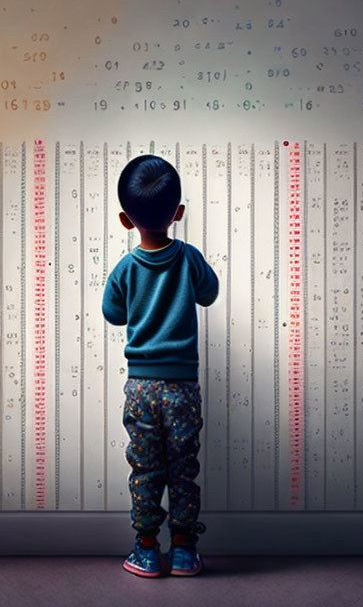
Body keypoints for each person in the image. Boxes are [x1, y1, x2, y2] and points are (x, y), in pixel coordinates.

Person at [102, 154, 219, 578]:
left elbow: (113, 314)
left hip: (142, 388)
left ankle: (147, 548)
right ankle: (185, 549)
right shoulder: (189, 259)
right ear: (178, 213)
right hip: (183, 387)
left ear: (125, 220)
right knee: (183, 469)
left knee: (147, 468)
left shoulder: (125, 269)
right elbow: (210, 293)